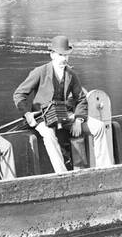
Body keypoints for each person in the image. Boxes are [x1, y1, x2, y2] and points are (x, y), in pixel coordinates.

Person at [13, 35, 113, 172]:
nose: (64, 59)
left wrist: (78, 120)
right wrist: (27, 114)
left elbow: (81, 99)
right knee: (48, 135)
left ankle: (105, 169)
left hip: (65, 115)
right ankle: (62, 174)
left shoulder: (71, 74)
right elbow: (19, 94)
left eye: (67, 55)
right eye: (61, 55)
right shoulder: (39, 72)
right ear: (52, 55)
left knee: (99, 127)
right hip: (42, 117)